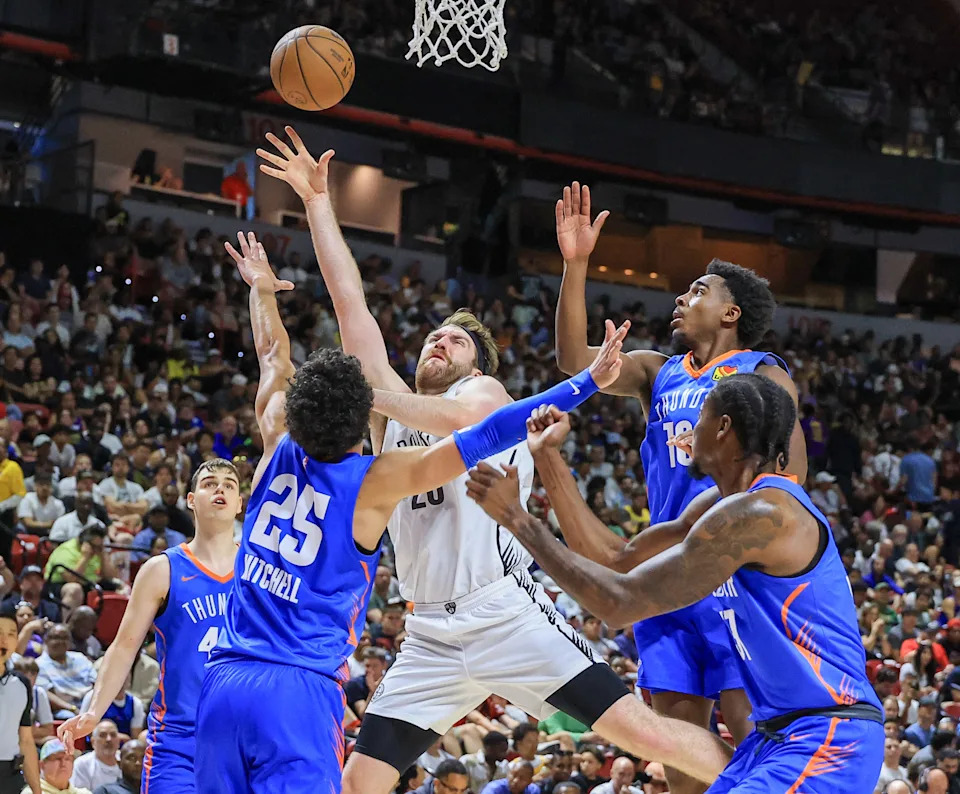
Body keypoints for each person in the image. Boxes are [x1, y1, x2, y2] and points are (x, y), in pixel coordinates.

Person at [257, 127, 729, 794]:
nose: (440, 342)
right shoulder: (396, 411)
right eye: (435, 336)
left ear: (477, 366)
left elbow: (462, 421)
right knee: (358, 782)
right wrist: (316, 203)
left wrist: (367, 393)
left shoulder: (484, 396)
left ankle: (776, 780)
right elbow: (349, 301)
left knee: (646, 736)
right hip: (427, 632)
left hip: (505, 616)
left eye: (457, 341)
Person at [467, 374, 882, 793]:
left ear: (723, 427)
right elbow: (617, 561)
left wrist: (518, 520)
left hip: (828, 736)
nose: (687, 432)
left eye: (698, 420)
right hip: (777, 740)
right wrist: (548, 457)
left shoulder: (761, 514)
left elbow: (619, 603)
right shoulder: (726, 506)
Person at [552, 182, 806, 794]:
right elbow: (573, 359)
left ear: (730, 313)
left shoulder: (762, 374)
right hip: (664, 576)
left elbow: (790, 475)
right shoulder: (655, 371)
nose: (681, 298)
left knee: (753, 736)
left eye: (697, 291)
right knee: (679, 753)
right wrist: (576, 265)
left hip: (731, 571)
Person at [57, 458, 242, 794]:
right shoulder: (162, 569)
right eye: (210, 483)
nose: (220, 489)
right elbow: (124, 646)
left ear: (240, 503)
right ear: (190, 500)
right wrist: (94, 711)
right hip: (178, 737)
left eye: (229, 485)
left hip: (243, 737)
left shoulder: (258, 570)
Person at [0, 605, 41, 794]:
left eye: (11, 634)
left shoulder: (21, 684)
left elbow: (26, 741)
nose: (4, 640)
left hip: (10, 776)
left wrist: (37, 790)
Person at [69, 721, 120, 791]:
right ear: (93, 741)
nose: (109, 739)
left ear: (118, 740)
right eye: (103, 735)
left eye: (113, 735)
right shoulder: (82, 764)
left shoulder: (126, 761)